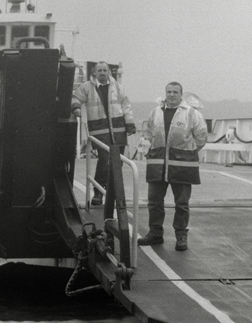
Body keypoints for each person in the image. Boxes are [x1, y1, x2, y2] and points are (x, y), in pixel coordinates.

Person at [138, 82, 208, 251]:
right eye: (169, 92)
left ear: (181, 94)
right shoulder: (155, 112)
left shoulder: (192, 113)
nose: (171, 95)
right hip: (158, 164)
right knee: (154, 201)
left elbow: (201, 137)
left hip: (182, 166)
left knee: (182, 203)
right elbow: (148, 132)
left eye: (175, 92)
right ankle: (155, 233)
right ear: (165, 93)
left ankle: (181, 236)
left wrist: (186, 152)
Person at [72, 61, 136, 205]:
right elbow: (75, 98)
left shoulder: (118, 88)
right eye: (99, 70)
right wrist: (75, 107)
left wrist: (130, 124)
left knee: (117, 165)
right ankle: (98, 193)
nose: (102, 73)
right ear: (94, 72)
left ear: (109, 72)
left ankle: (115, 195)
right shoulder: (87, 87)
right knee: (104, 163)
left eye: (104, 70)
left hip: (119, 132)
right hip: (100, 134)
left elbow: (126, 105)